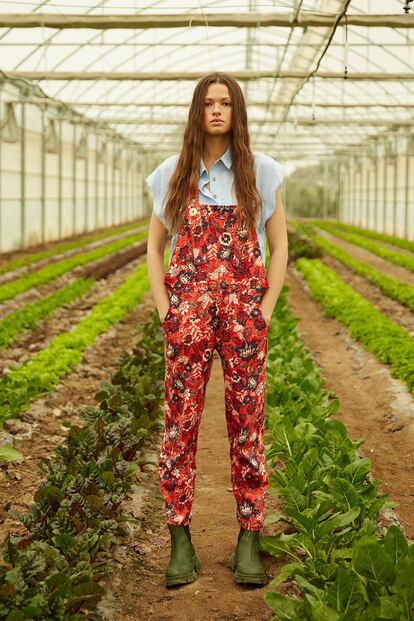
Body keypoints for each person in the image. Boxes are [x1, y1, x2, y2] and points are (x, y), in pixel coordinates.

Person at [146, 71, 288, 588]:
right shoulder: (172, 173)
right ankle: (179, 537)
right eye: (208, 103)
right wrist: (167, 311)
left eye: (226, 103)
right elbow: (154, 249)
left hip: (244, 316)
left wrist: (264, 308)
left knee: (247, 422)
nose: (217, 111)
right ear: (197, 111)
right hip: (187, 316)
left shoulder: (262, 171)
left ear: (237, 110)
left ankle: (248, 535)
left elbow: (279, 247)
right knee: (179, 425)